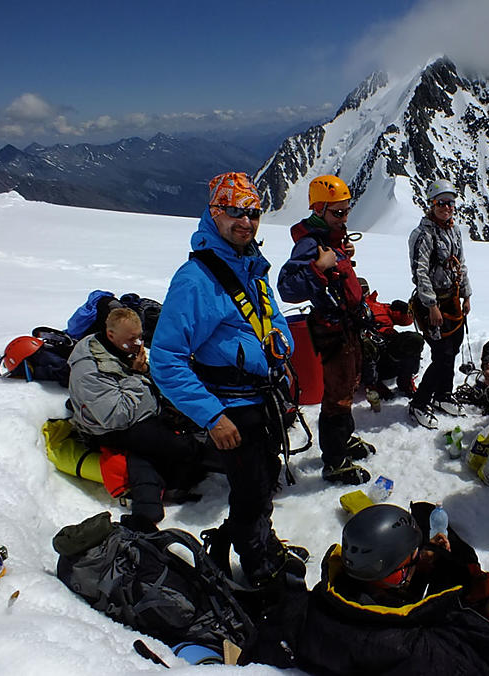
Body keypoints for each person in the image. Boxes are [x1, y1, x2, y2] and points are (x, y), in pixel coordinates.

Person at [150, 171, 305, 586]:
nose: (246, 221)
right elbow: (165, 360)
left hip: (261, 399)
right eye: (234, 211)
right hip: (232, 408)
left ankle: (255, 539)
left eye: (253, 212)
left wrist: (281, 347)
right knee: (251, 490)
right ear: (214, 213)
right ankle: (257, 562)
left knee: (261, 480)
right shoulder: (196, 280)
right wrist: (213, 418)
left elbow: (270, 318)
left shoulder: (250, 264)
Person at [295, 503, 489, 675]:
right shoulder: (410, 647)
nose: (419, 556)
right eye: (412, 556)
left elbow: (390, 602)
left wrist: (420, 567)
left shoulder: (331, 594)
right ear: (394, 572)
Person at [68, 307, 203, 532]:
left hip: (139, 413)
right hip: (109, 428)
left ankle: (153, 500)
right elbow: (116, 417)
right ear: (111, 335)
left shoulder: (121, 348)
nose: (139, 343)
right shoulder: (89, 369)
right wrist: (136, 376)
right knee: (178, 448)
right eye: (132, 338)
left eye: (140, 336)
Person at [277, 175, 373, 485]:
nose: (344, 218)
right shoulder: (310, 244)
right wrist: (317, 268)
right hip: (333, 331)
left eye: (347, 211)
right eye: (338, 212)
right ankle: (334, 461)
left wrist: (341, 258)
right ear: (319, 209)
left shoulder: (330, 237)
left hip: (347, 327)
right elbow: (287, 287)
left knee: (346, 389)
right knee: (337, 397)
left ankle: (343, 441)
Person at [407, 179, 473, 429]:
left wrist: (466, 295)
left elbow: (461, 264)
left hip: (452, 299)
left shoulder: (453, 231)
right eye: (441, 203)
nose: (446, 207)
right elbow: (419, 272)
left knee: (453, 348)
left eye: (450, 203)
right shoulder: (423, 235)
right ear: (431, 204)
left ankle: (444, 393)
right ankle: (420, 402)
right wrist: (431, 305)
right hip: (432, 303)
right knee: (442, 354)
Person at [356, 277, 424, 412]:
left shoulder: (381, 306)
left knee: (414, 339)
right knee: (366, 344)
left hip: (389, 350)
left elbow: (406, 321)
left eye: (364, 289)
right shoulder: (350, 310)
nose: (363, 293)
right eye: (359, 290)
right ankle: (374, 386)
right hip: (368, 356)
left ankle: (405, 382)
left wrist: (404, 310)